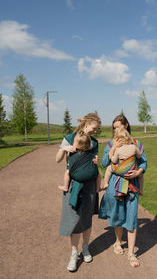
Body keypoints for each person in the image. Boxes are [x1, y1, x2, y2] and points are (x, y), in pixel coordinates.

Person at [99, 115, 147, 267]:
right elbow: (104, 163)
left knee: (132, 217)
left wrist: (138, 172)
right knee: (118, 214)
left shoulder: (136, 144)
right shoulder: (110, 143)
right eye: (114, 127)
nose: (116, 129)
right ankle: (118, 242)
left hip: (132, 186)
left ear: (126, 125)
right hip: (116, 185)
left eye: (118, 126)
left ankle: (132, 253)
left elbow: (143, 162)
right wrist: (112, 149)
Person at [56, 113, 101, 272]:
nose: (95, 131)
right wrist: (64, 150)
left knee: (86, 218)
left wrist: (96, 162)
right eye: (94, 128)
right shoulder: (69, 138)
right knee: (74, 219)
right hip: (74, 186)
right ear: (86, 123)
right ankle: (74, 253)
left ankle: (85, 247)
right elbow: (57, 159)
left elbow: (93, 162)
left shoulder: (94, 143)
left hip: (89, 187)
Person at [102, 128, 142, 196]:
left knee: (109, 168)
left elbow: (114, 161)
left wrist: (111, 156)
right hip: (132, 170)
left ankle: (105, 183)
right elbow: (139, 156)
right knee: (140, 175)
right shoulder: (134, 147)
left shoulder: (118, 150)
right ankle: (141, 190)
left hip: (120, 171)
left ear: (117, 140)